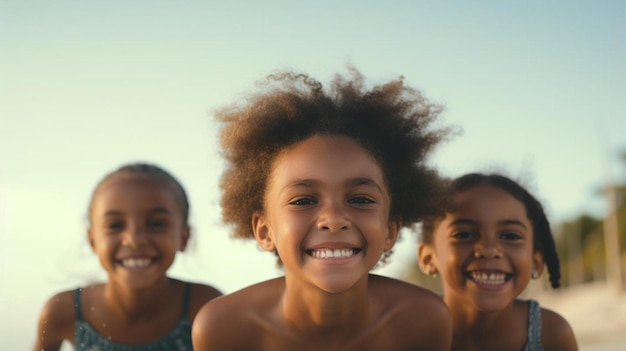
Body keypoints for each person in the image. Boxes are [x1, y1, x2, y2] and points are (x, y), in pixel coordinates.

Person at [192, 68, 453, 351]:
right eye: (303, 200)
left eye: (361, 200)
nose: (334, 220)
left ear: (391, 229)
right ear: (265, 230)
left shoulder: (423, 319)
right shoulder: (224, 329)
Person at [33, 163, 222, 351]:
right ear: (92, 240)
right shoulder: (65, 312)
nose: (134, 240)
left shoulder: (205, 309)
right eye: (115, 225)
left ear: (184, 237)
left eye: (156, 223)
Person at [417, 173, 578, 351]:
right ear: (428, 258)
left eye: (510, 236)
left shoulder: (552, 335)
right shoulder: (407, 333)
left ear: (535, 262)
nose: (489, 249)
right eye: (464, 234)